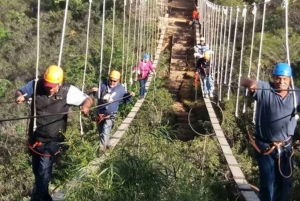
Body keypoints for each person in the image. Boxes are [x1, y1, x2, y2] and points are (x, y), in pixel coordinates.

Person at [15, 65, 93, 201]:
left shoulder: (68, 91)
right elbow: (20, 91)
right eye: (47, 85)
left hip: (53, 140)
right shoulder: (36, 84)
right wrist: (20, 96)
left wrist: (85, 106)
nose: (49, 88)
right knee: (37, 172)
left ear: (60, 83)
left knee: (43, 174)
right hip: (35, 138)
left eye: (52, 86)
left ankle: (35, 198)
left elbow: (87, 99)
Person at [241, 62, 299, 201]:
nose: (281, 82)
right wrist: (251, 84)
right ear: (273, 78)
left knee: (285, 184)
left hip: (286, 148)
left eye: (285, 78)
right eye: (278, 78)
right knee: (267, 183)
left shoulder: (296, 95)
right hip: (265, 146)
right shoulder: (265, 88)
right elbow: (243, 80)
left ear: (290, 79)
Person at [92, 70, 135, 150]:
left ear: (118, 80)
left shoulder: (120, 89)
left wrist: (129, 95)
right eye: (110, 80)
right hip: (100, 114)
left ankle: (101, 150)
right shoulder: (103, 85)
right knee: (101, 132)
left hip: (111, 114)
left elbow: (125, 99)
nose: (112, 82)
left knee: (106, 131)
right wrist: (95, 91)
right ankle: (108, 145)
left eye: (114, 81)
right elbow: (97, 95)